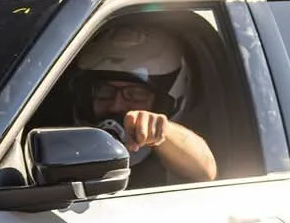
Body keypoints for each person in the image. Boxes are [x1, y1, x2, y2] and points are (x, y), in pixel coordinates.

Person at [70, 21, 217, 186]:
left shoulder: (172, 151)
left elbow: (205, 170)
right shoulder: (66, 145)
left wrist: (162, 132)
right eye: (104, 91)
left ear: (164, 102)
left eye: (136, 94)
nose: (116, 106)